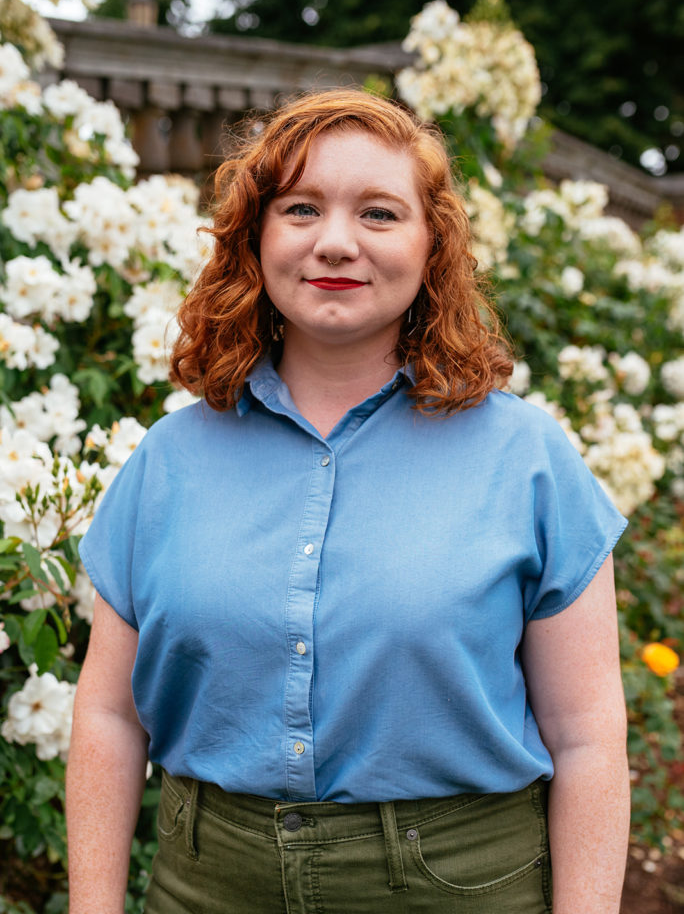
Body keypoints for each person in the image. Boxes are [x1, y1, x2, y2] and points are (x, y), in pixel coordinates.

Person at [66, 88, 630, 914]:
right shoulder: (168, 462)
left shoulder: (528, 462)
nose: (335, 242)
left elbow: (587, 741)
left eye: (378, 213)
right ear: (255, 238)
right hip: (205, 886)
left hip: (460, 889)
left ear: (431, 243)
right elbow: (111, 717)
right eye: (300, 208)